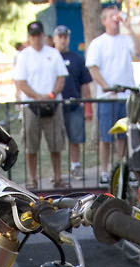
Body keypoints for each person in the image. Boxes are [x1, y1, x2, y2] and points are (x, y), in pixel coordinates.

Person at [86, 6, 140, 186]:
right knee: (106, 137)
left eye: (116, 15)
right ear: (104, 21)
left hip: (126, 97)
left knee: (124, 137)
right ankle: (104, 171)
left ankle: (122, 169)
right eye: (111, 16)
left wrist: (130, 28)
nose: (115, 18)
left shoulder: (126, 40)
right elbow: (93, 69)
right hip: (108, 98)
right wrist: (107, 88)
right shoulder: (98, 43)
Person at [14, 20, 68, 190]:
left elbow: (61, 77)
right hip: (31, 106)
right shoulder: (23, 56)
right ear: (29, 37)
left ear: (44, 36)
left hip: (52, 104)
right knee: (31, 145)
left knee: (55, 144)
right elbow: (21, 82)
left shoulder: (53, 53)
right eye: (33, 36)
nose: (36, 39)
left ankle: (57, 177)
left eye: (39, 35)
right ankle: (32, 179)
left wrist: (50, 95)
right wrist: (37, 97)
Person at [52, 25, 92, 182]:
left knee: (75, 139)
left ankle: (75, 166)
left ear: (68, 38)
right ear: (55, 38)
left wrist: (83, 102)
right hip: (55, 107)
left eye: (65, 36)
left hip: (74, 105)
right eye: (59, 37)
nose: (62, 40)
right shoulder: (50, 57)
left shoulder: (77, 58)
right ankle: (57, 173)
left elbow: (85, 83)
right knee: (56, 141)